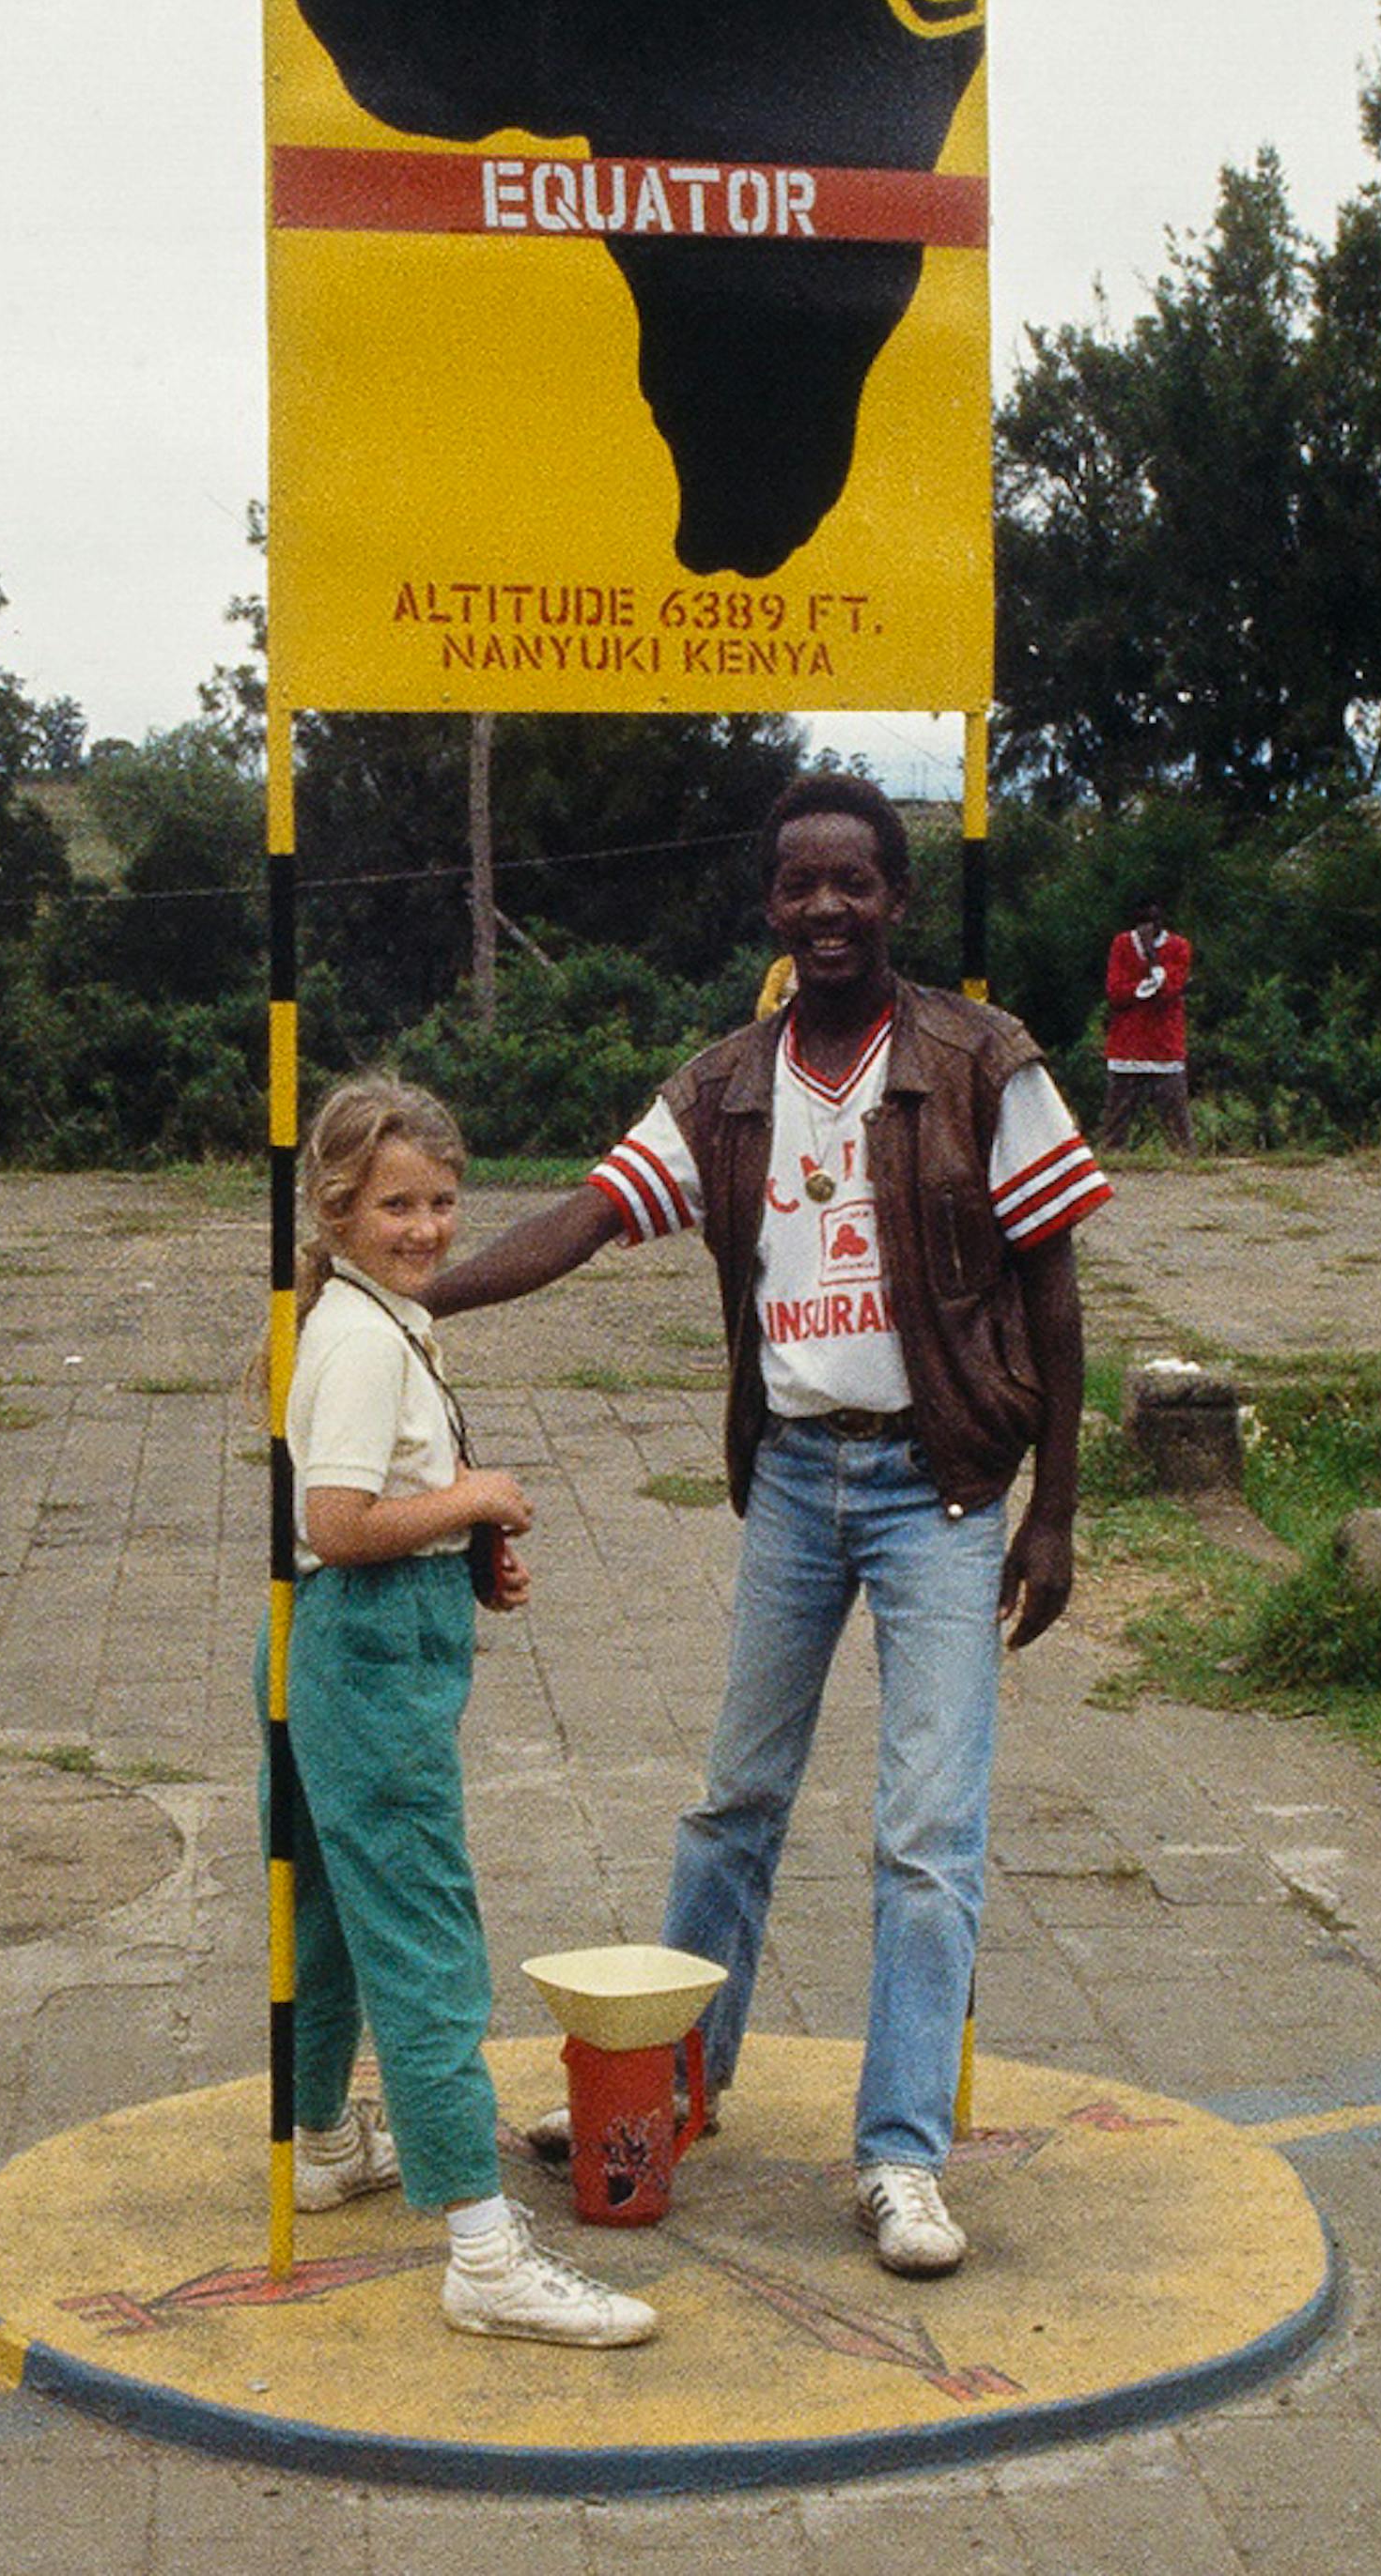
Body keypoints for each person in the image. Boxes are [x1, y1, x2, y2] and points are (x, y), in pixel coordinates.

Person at [427, 774, 1110, 2277]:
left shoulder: (982, 1061)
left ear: (895, 901)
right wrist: (414, 1291)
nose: (825, 910)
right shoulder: (725, 1085)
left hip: (941, 1486)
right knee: (733, 1802)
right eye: (799, 885)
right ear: (769, 907)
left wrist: (1054, 1506)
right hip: (798, 1481)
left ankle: (901, 2160)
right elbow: (588, 1218)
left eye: (852, 884)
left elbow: (1051, 1288)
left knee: (927, 1838)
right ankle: (673, 2094)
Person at [260, 1073, 658, 2348]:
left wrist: (460, 1545)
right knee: (426, 1938)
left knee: (323, 1906)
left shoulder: (382, 1315)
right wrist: (474, 1498)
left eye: (439, 1202)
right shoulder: (367, 1336)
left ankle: (322, 2137)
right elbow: (332, 1523)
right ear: (333, 1208)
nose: (424, 1229)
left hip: (356, 1639)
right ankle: (482, 2253)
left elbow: (368, 1507)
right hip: (366, 1653)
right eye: (392, 1206)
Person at [1099, 898, 1193, 1153]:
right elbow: (1115, 992)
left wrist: (1152, 961)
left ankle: (1189, 1166)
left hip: (1165, 1045)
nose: (1146, 930)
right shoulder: (1121, 944)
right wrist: (1142, 988)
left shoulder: (1179, 947)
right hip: (1127, 1045)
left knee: (1177, 1123)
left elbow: (1170, 989)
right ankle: (1112, 1162)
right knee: (1116, 1121)